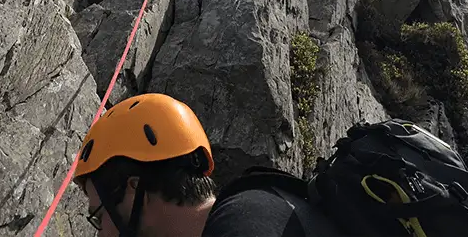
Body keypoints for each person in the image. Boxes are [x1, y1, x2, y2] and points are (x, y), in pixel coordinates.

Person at [72, 92, 321, 237]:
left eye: (100, 215)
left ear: (135, 188)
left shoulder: (243, 226)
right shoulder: (252, 212)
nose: (101, 233)